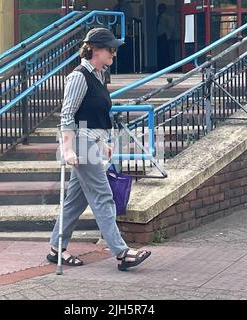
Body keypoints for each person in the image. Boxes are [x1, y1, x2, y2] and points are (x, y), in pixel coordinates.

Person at [47, 28, 151, 271]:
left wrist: (102, 142)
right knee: (103, 196)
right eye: (110, 49)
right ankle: (122, 252)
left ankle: (56, 248)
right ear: (95, 49)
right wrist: (68, 149)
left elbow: (94, 114)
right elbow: (67, 114)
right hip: (82, 144)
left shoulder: (99, 75)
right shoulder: (79, 76)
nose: (114, 53)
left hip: (92, 141)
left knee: (75, 200)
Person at [157, 3, 173, 70]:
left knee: (165, 53)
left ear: (164, 9)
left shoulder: (166, 17)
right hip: (159, 36)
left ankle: (166, 67)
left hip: (165, 36)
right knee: (160, 52)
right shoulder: (158, 17)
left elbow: (170, 27)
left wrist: (169, 36)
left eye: (161, 8)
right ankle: (161, 66)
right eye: (159, 8)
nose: (160, 10)